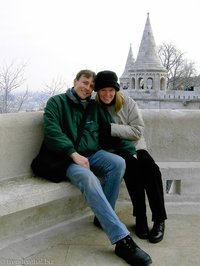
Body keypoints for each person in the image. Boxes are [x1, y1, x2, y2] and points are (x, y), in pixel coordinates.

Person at [31, 69, 152, 266]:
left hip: (93, 154)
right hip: (67, 159)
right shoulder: (56, 102)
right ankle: (121, 240)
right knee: (89, 178)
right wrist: (73, 154)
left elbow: (109, 133)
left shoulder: (95, 108)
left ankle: (103, 217)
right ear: (75, 81)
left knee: (119, 162)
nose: (87, 88)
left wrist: (131, 151)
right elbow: (52, 132)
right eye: (84, 82)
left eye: (91, 85)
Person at [94, 70, 167, 244]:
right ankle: (140, 217)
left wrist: (111, 128)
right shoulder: (94, 107)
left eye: (111, 90)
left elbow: (137, 131)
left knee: (151, 169)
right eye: (103, 90)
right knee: (132, 170)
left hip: (135, 146)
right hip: (113, 150)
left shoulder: (127, 103)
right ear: (97, 91)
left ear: (116, 90)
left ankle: (159, 220)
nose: (107, 94)